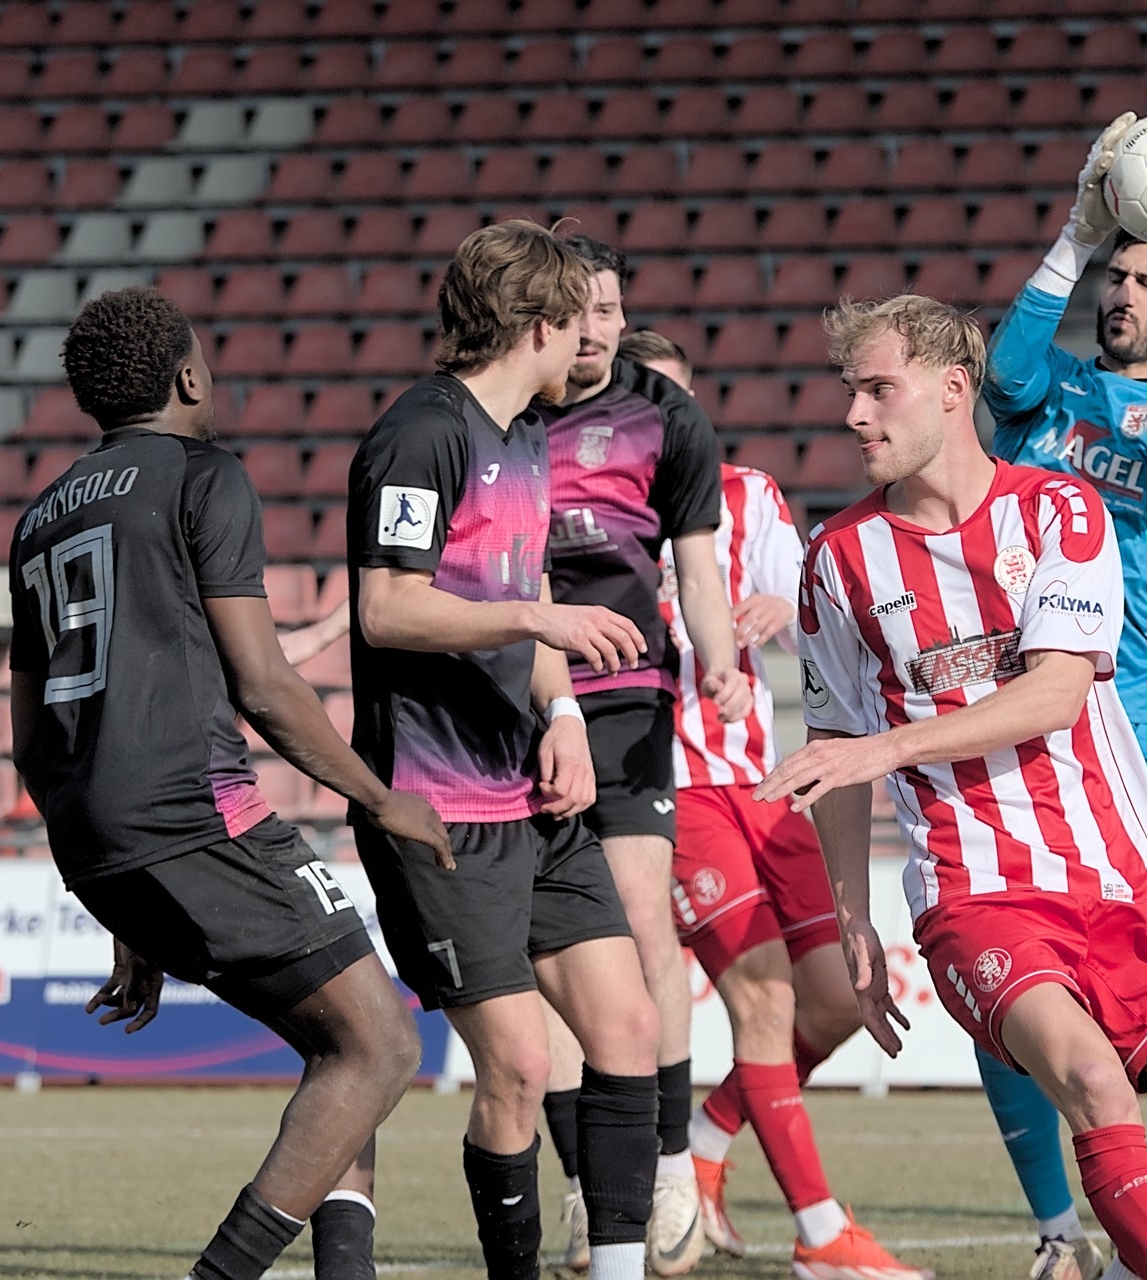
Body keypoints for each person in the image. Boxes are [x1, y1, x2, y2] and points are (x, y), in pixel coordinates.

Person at [757, 293, 1147, 1280]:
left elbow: (1054, 692)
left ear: (953, 389)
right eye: (850, 391)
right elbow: (833, 746)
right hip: (976, 894)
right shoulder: (836, 559)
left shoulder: (1059, 510)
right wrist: (852, 917)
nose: (855, 414)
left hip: (1121, 880)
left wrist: (884, 747)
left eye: (879, 389)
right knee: (1095, 1082)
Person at [9, 287, 449, 1280]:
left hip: (97, 840)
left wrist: (127, 899)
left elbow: (32, 742)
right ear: (187, 377)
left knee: (341, 1038)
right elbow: (264, 683)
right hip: (192, 818)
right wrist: (382, 797)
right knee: (379, 1044)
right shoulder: (203, 476)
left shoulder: (37, 519)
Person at [346, 221, 665, 1280]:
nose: (593, 335)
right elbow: (387, 609)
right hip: (439, 807)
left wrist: (562, 713)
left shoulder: (526, 432)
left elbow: (523, 586)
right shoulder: (420, 434)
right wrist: (536, 621)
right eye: (580, 317)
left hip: (532, 791)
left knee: (627, 1026)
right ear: (538, 324)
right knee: (522, 1067)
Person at [981, 113, 1147, 1280]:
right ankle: (1058, 1226)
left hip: (1123, 735)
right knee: (1015, 987)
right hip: (1008, 723)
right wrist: (1073, 233)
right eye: (1116, 275)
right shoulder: (1048, 395)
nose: (1121, 292)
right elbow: (999, 375)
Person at [604, 329, 927, 1278]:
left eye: (675, 398)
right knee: (765, 994)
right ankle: (822, 1235)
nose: (663, 418)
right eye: (643, 397)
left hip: (759, 779)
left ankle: (708, 1145)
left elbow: (809, 623)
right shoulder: (596, 508)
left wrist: (786, 611)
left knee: (835, 999)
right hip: (670, 788)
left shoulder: (748, 495)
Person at [532, 239, 750, 1276]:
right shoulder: (501, 416)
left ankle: (668, 1168)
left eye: (609, 309)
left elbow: (697, 571)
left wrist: (723, 660)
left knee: (637, 914)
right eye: (575, 310)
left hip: (624, 696)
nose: (593, 328)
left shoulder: (666, 418)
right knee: (547, 954)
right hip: (517, 700)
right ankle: (587, 1187)